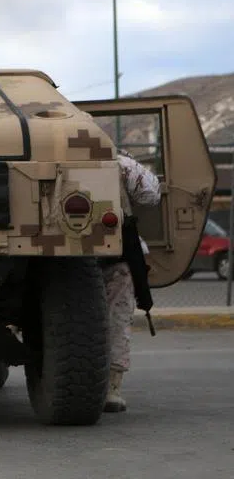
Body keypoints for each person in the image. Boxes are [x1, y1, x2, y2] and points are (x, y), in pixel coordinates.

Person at [102, 149, 161, 413]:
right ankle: (111, 389)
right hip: (114, 253)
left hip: (56, 260)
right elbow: (150, 194)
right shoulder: (118, 163)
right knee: (117, 317)